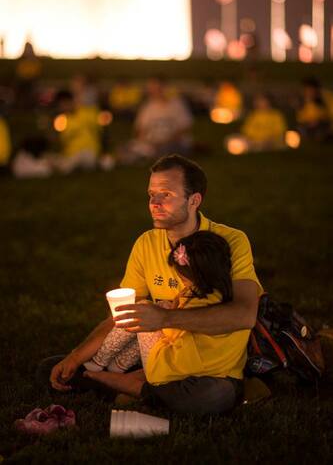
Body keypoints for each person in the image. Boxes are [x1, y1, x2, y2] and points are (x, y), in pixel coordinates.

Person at [43, 154, 262, 414]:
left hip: (211, 369)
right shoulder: (147, 243)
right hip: (161, 352)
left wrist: (165, 318)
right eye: (151, 195)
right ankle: (142, 389)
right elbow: (122, 316)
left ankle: (126, 388)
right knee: (51, 368)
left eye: (166, 195)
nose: (154, 203)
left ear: (194, 200)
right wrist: (77, 356)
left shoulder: (230, 241)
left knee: (212, 396)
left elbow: (245, 315)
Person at [83, 231, 246, 404]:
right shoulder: (226, 295)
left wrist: (159, 318)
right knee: (158, 308)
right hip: (220, 364)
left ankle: (100, 361)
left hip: (175, 367)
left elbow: (174, 333)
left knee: (142, 312)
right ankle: (118, 365)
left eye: (182, 277)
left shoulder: (196, 303)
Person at [116, 78, 193, 164]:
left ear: (164, 88)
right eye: (151, 89)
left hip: (172, 143)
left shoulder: (177, 104)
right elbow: (140, 129)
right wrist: (145, 140)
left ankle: (145, 157)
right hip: (151, 143)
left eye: (155, 89)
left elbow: (185, 128)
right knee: (125, 148)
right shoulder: (148, 107)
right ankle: (141, 156)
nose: (152, 92)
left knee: (165, 150)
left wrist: (165, 141)